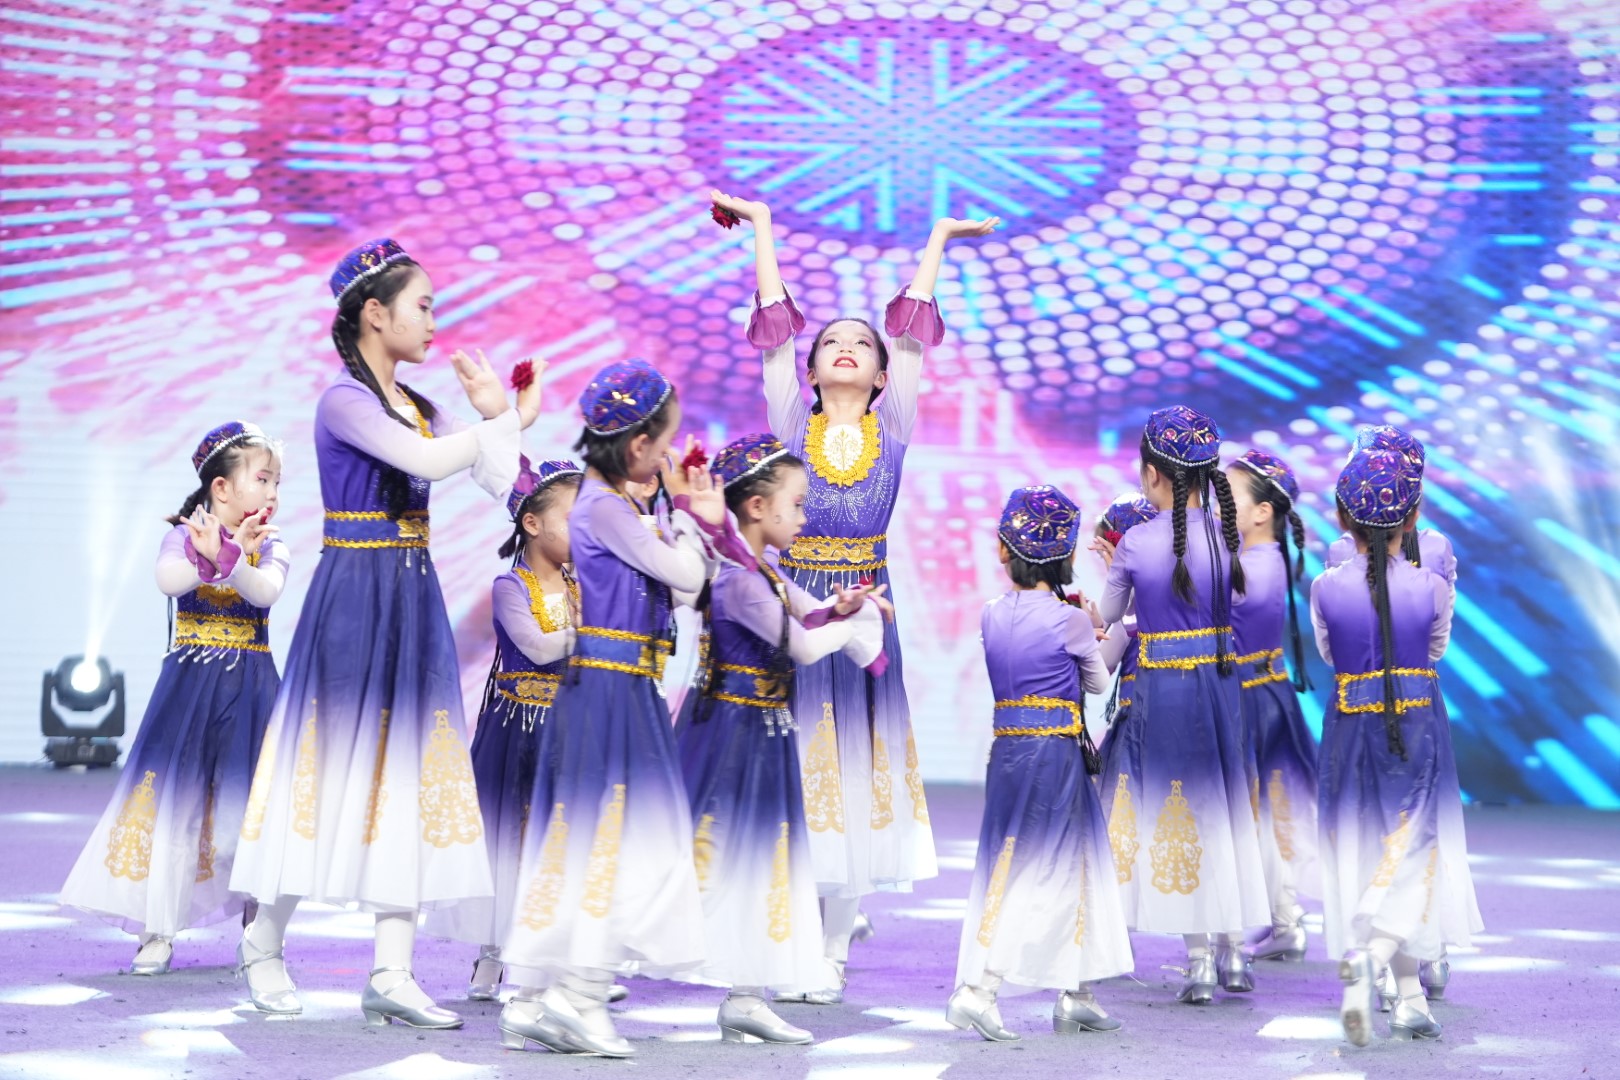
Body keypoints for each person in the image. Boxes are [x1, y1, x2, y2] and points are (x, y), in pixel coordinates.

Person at [228, 238, 542, 1026]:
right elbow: (427, 463)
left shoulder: (420, 406)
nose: (434, 322)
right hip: (354, 596)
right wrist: (502, 421)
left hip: (409, 596)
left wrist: (499, 419)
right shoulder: (344, 400)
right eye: (423, 306)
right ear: (374, 313)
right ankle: (262, 942)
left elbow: (502, 481)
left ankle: (392, 971)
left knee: (412, 769)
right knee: (325, 767)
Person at [714, 188, 998, 998]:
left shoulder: (894, 426)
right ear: (809, 371)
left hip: (869, 609)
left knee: (856, 771)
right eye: (829, 342)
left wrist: (939, 236)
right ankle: (796, 937)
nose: (845, 347)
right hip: (798, 602)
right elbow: (773, 327)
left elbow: (913, 333)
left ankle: (834, 949)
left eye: (860, 343)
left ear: (879, 374)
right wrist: (762, 226)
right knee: (797, 764)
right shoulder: (789, 427)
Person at [498, 359, 722, 1058]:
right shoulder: (604, 507)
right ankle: (578, 997)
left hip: (622, 688)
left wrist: (677, 522)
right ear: (638, 445)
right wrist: (692, 516)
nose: (669, 457)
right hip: (610, 692)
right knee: (617, 843)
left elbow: (680, 591)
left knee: (603, 841)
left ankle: (541, 997)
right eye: (665, 443)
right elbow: (686, 575)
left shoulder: (616, 508)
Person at [678, 433, 890, 1043]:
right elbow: (801, 645)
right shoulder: (739, 580)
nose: (803, 518)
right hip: (734, 735)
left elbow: (809, 613)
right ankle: (566, 986)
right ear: (756, 507)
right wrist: (855, 629)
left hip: (761, 732)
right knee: (722, 857)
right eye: (796, 505)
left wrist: (844, 607)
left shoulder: (761, 570)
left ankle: (747, 995)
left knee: (762, 862)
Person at [61, 423, 287, 976]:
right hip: (188, 690)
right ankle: (156, 930)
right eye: (262, 479)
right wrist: (209, 559)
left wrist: (233, 558)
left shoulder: (271, 544)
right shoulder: (181, 538)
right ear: (221, 488)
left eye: (277, 482)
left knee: (249, 812)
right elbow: (169, 580)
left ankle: (257, 936)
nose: (273, 492)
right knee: (174, 808)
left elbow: (267, 591)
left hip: (252, 690)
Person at [947, 485, 1132, 1043]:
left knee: (1036, 862)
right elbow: (1097, 683)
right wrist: (1108, 631)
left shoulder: (990, 613)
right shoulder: (1069, 620)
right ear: (1065, 556)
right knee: (1044, 867)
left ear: (1005, 550)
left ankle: (1077, 992)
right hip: (1054, 756)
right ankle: (981, 990)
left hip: (1008, 752)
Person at [1095, 406, 1268, 1003]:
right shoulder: (1228, 536)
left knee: (1181, 812)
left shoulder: (1137, 543)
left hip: (1164, 691)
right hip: (1221, 687)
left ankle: (1198, 962)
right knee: (1223, 806)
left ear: (1151, 474)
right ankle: (1234, 950)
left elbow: (1107, 618)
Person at [1314, 448, 1481, 1045]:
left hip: (1349, 728)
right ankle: (1384, 968)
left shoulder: (1325, 587)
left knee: (1368, 852)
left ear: (1342, 517)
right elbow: (1434, 650)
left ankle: (1402, 990)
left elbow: (1330, 655)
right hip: (1416, 726)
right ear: (1412, 519)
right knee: (1412, 854)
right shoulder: (1431, 586)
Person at [427, 458, 583, 1001]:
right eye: (574, 518)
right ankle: (492, 950)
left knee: (561, 839)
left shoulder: (583, 585)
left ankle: (558, 958)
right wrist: (594, 634)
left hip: (570, 730)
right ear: (533, 523)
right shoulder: (509, 587)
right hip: (518, 732)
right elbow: (537, 647)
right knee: (508, 841)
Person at [1226, 449, 1319, 961]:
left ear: (1263, 511)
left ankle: (1231, 937)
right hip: (1262, 693)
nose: (1219, 504)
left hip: (1249, 701)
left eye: (1229, 495)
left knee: (1247, 814)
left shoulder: (1253, 568)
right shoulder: (1260, 560)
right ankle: (1284, 921)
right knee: (1263, 812)